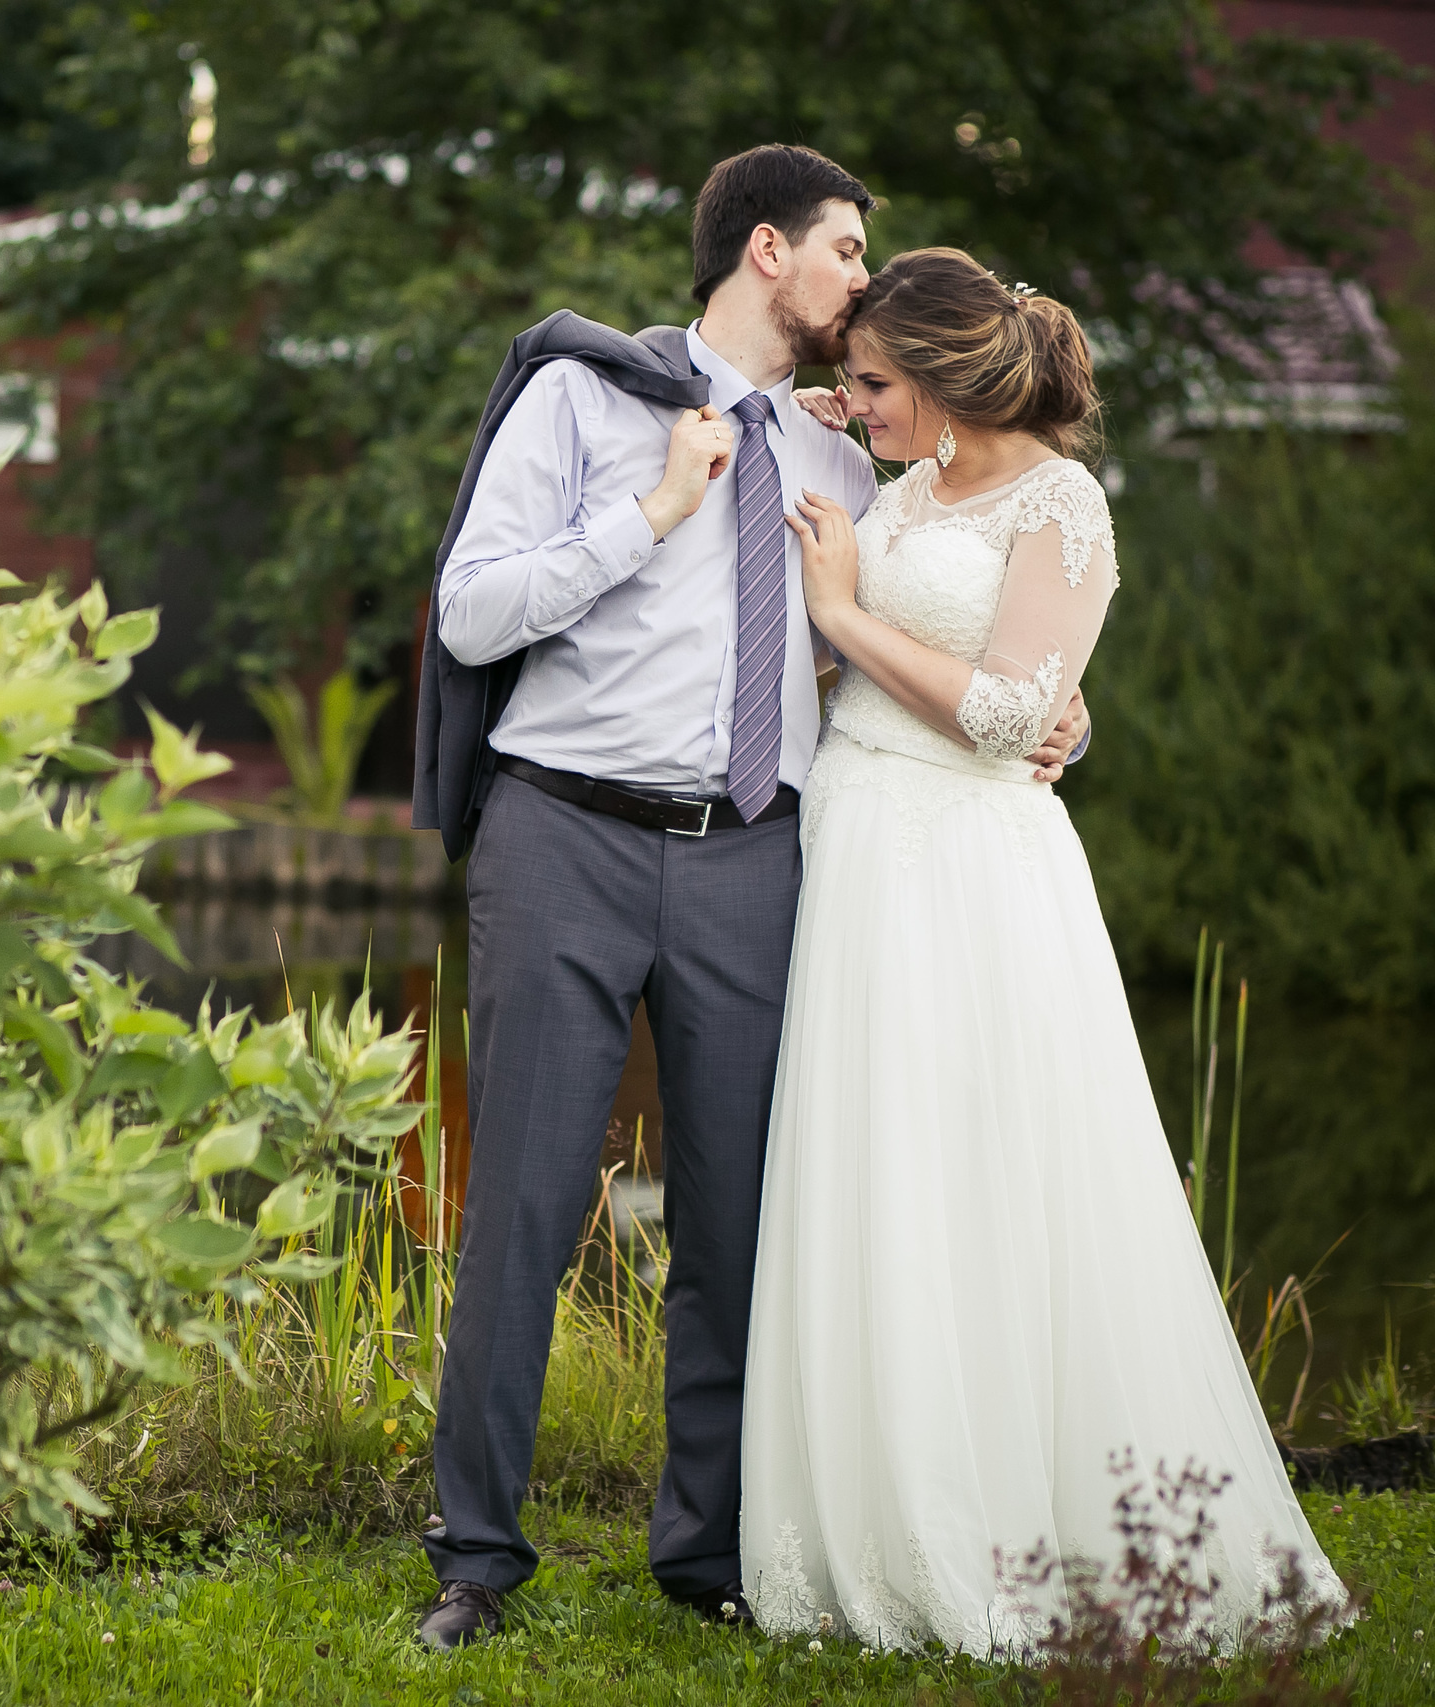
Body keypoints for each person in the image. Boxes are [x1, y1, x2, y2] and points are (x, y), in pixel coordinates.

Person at [407, 147, 1088, 1651]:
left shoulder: (857, 456)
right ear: (768, 251)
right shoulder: (582, 397)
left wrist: (1055, 714)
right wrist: (650, 514)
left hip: (756, 860)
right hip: (563, 837)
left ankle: (707, 1549)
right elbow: (468, 610)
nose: (865, 279)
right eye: (849, 249)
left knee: (741, 1217)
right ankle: (477, 1559)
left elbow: (946, 632)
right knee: (522, 1201)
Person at [742, 247, 1351, 1656]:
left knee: (994, 1178)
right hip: (858, 857)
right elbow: (945, 665)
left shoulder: (1060, 499)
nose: (857, 398)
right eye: (851, 380)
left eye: (878, 381)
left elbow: (1017, 711)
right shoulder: (895, 486)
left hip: (970, 870)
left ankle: (1029, 1517)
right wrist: (838, 445)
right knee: (874, 1175)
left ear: (952, 381)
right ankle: (869, 1522)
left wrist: (844, 618)